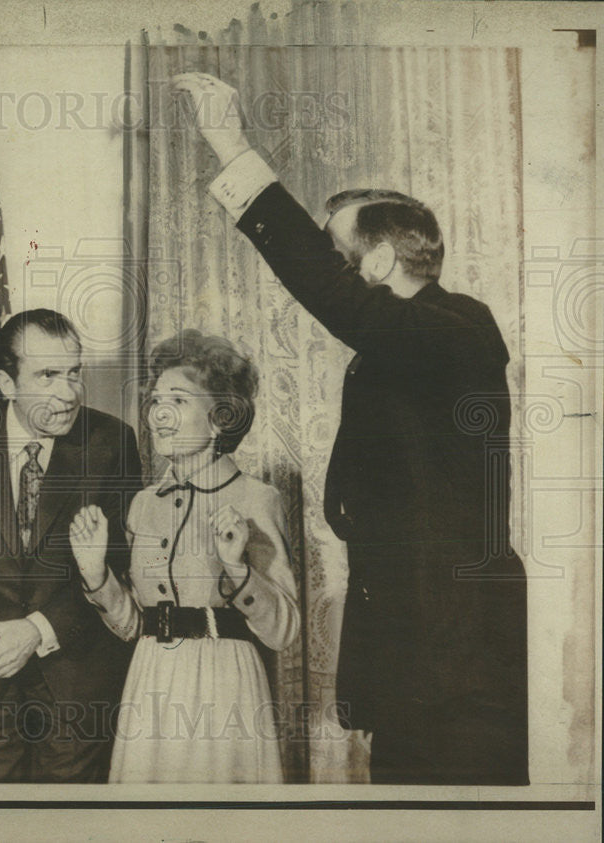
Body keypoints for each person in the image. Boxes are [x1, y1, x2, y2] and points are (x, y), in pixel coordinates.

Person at [173, 72, 528, 785]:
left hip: (460, 662)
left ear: (381, 260)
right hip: (410, 654)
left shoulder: (457, 326)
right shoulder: (395, 349)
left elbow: (337, 300)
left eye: (336, 255)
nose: (327, 273)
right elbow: (381, 544)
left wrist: (232, 148)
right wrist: (362, 690)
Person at [0, 308, 142, 782]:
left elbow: (121, 569)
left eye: (73, 374)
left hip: (78, 678)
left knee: (67, 826)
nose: (68, 393)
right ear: (6, 382)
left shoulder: (112, 443)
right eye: (47, 376)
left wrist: (39, 628)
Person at [70, 330, 300, 783]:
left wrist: (239, 570)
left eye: (177, 401)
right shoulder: (143, 504)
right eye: (155, 401)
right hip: (150, 676)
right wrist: (97, 575)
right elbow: (133, 625)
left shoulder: (258, 499)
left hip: (224, 684)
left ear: (221, 418)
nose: (159, 416)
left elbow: (285, 631)